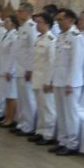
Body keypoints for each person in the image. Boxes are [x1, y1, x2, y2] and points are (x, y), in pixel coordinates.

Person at [50, 8, 84, 155]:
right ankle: (62, 140)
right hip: (59, 80)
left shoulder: (76, 37)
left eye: (61, 19)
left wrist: (71, 82)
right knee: (61, 113)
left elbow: (76, 62)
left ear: (70, 20)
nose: (58, 22)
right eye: (57, 20)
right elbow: (56, 61)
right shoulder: (60, 36)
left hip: (70, 82)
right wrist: (53, 79)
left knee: (70, 114)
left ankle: (72, 144)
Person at [28, 12, 57, 146]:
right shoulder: (39, 38)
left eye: (39, 22)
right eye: (36, 22)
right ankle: (40, 131)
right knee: (40, 107)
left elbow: (52, 63)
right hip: (37, 78)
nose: (37, 25)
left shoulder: (51, 40)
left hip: (45, 79)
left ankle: (48, 134)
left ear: (47, 24)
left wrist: (48, 81)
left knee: (48, 108)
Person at [12, 3, 39, 137]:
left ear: (28, 13)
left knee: (28, 99)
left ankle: (29, 126)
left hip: (26, 69)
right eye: (18, 11)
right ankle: (22, 123)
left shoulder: (32, 27)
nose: (18, 13)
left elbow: (33, 50)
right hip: (19, 67)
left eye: (20, 11)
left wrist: (30, 69)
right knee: (22, 98)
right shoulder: (22, 27)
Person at [0, 14, 20, 128]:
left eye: (7, 21)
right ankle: (6, 117)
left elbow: (14, 55)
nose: (5, 23)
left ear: (13, 23)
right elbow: (0, 53)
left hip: (10, 71)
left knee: (11, 95)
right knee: (6, 95)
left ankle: (10, 119)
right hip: (3, 68)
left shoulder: (15, 36)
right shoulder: (6, 34)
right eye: (5, 21)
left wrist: (10, 70)